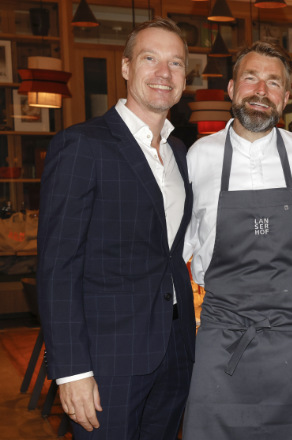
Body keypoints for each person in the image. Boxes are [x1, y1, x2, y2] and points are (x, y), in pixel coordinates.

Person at [37, 18, 195, 439]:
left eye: (176, 63)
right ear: (125, 68)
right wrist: (71, 370)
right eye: (150, 58)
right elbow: (58, 267)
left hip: (174, 350)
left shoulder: (180, 152)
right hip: (107, 362)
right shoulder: (83, 145)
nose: (164, 73)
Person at [182, 41, 292, 440]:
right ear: (231, 89)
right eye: (251, 78)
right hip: (222, 337)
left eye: (273, 82)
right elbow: (178, 246)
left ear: (285, 97)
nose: (261, 91)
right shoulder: (197, 158)